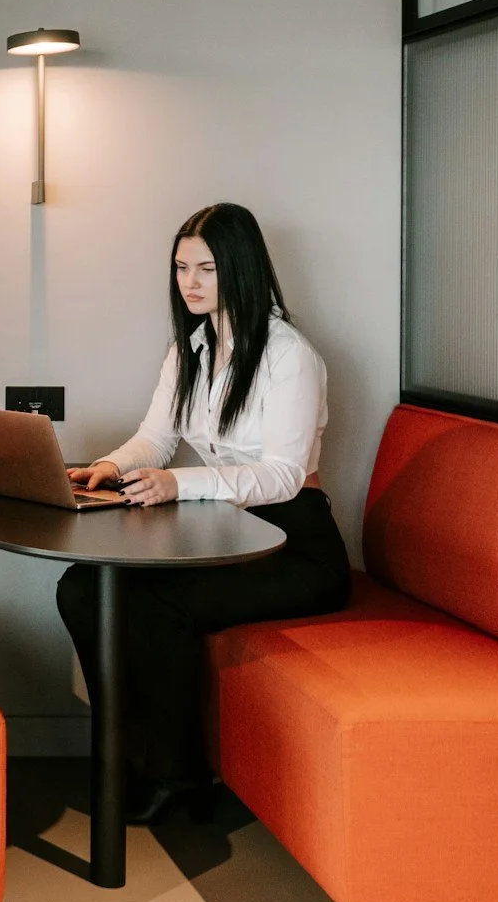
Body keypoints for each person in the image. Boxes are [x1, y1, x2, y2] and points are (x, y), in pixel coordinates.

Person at [55, 202, 352, 826]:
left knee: (161, 606)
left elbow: (284, 475)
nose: (189, 282)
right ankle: (129, 751)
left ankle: (180, 775)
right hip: (229, 534)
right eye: (181, 267)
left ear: (240, 269)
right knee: (83, 587)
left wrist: (178, 486)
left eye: (206, 269)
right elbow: (155, 438)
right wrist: (109, 466)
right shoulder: (189, 347)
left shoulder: (288, 356)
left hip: (297, 544)